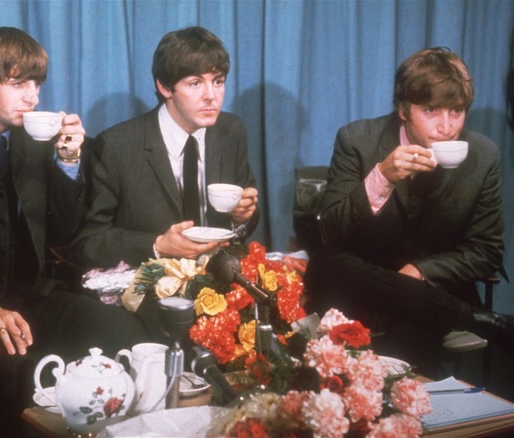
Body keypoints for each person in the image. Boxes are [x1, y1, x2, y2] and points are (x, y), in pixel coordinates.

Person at [0, 27, 151, 435]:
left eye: (36, 83)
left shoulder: (34, 141)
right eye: (19, 83)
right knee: (13, 367)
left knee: (124, 331)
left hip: (33, 295)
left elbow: (64, 231)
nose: (33, 97)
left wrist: (69, 161)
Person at [304, 47, 513, 375]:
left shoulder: (483, 155)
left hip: (431, 293)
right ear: (404, 109)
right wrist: (381, 177)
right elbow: (329, 233)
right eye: (431, 110)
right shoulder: (357, 140)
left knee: (402, 357)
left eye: (456, 111)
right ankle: (477, 320)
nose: (446, 127)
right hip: (365, 287)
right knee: (325, 262)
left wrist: (420, 271)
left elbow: (487, 250)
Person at [69, 26, 260, 269]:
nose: (211, 96)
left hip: (218, 275)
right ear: (165, 87)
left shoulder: (231, 130)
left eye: (218, 81)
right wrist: (157, 245)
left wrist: (241, 217)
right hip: (149, 283)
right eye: (195, 83)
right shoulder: (117, 145)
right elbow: (87, 242)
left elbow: (247, 221)